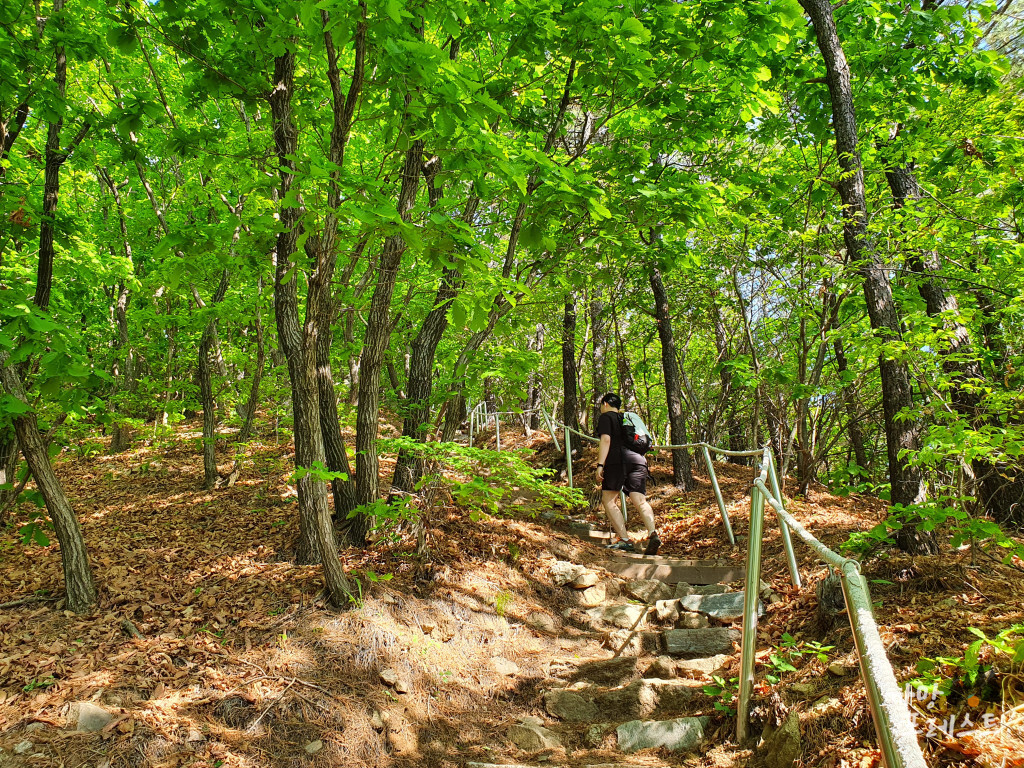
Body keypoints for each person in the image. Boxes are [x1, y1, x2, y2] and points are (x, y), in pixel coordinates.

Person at [594, 392, 660, 555]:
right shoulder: (627, 419)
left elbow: (606, 440)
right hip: (638, 461)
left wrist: (600, 465)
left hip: (617, 460)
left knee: (608, 498)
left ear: (605, 404)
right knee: (640, 500)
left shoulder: (606, 417)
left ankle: (624, 539)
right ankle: (653, 533)